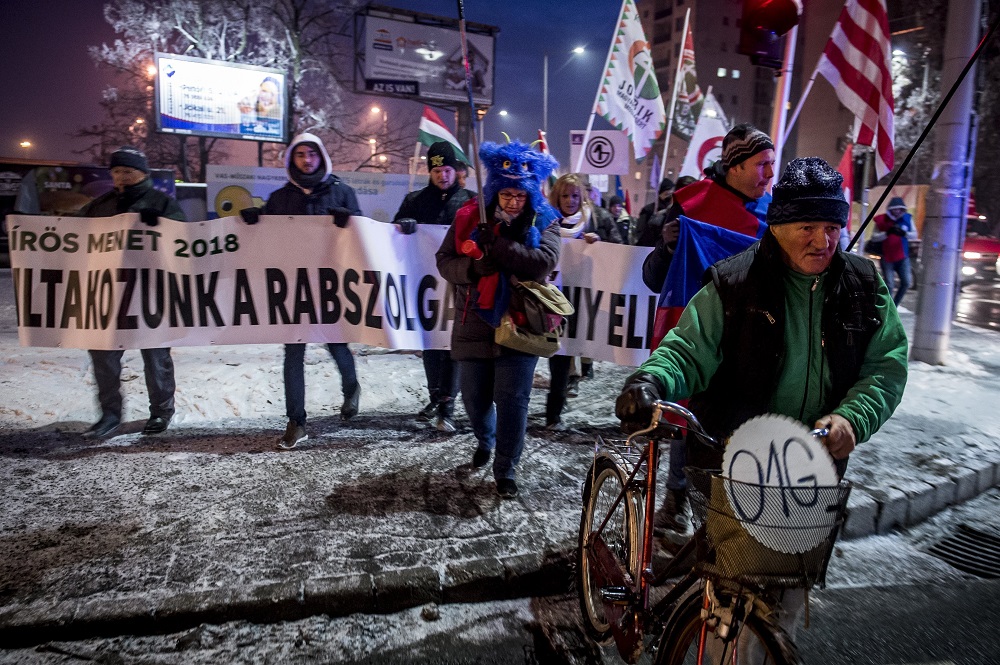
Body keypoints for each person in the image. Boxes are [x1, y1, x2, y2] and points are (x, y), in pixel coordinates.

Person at [615, 156, 908, 652]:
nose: (824, 240)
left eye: (833, 226)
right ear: (776, 226)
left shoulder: (863, 285)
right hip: (734, 465)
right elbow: (687, 349)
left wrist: (851, 418)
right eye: (807, 226)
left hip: (811, 472)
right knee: (726, 605)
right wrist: (651, 382)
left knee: (784, 608)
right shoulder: (733, 284)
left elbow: (886, 365)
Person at [639, 124, 776, 534]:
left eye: (773, 165)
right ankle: (678, 500)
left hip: (753, 341)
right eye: (762, 165)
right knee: (692, 421)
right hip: (700, 339)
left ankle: (727, 514)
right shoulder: (689, 207)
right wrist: (666, 247)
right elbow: (651, 278)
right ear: (734, 166)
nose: (770, 175)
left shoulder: (774, 214)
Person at [436, 140, 560, 498]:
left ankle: (507, 467)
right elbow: (444, 261)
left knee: (513, 400)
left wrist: (502, 245)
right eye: (506, 194)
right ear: (495, 190)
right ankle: (485, 438)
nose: (513, 202)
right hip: (474, 320)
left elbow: (542, 262)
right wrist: (473, 267)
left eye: (520, 195)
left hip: (521, 323)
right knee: (474, 399)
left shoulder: (545, 220)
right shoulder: (468, 217)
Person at [240, 133, 362, 450]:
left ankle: (351, 388)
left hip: (331, 286)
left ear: (321, 157)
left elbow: (364, 238)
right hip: (293, 288)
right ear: (292, 159)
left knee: (337, 346)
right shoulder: (280, 198)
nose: (307, 160)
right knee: (293, 353)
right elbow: (264, 236)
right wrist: (252, 220)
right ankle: (297, 421)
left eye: (312, 154)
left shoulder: (343, 192)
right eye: (300, 155)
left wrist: (351, 222)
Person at [79, 146, 186, 439]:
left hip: (151, 293)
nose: (121, 177)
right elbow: (71, 234)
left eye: (127, 171)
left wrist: (165, 226)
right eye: (115, 172)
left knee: (156, 357)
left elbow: (187, 241)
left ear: (143, 173)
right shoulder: (100, 205)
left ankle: (161, 413)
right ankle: (110, 415)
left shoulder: (162, 203)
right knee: (104, 358)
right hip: (108, 294)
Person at [393, 142, 476, 433]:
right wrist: (403, 227)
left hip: (458, 284)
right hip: (424, 285)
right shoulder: (414, 201)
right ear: (430, 171)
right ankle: (434, 397)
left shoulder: (470, 201)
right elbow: (393, 237)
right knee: (430, 344)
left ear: (457, 171)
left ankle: (448, 407)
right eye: (437, 170)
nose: (442, 176)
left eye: (447, 170)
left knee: (450, 344)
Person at [545, 173, 621, 429]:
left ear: (582, 196)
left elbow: (619, 249)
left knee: (569, 350)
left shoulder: (597, 219)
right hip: (552, 297)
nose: (569, 201)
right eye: (564, 195)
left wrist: (599, 244)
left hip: (586, 299)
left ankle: (561, 397)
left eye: (574, 195)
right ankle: (553, 410)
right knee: (557, 352)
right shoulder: (546, 220)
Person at [873, 196, 916, 306]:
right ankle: (889, 308)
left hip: (903, 257)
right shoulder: (882, 220)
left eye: (899, 209)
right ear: (890, 209)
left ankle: (894, 305)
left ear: (902, 209)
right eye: (894, 209)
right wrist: (887, 233)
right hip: (887, 258)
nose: (897, 211)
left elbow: (914, 235)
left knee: (906, 282)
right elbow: (874, 237)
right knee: (889, 285)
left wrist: (904, 233)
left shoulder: (907, 219)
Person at [633, 178, 675, 247]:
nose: (669, 196)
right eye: (667, 193)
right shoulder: (649, 209)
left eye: (671, 194)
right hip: (648, 248)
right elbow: (640, 231)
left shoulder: (672, 210)